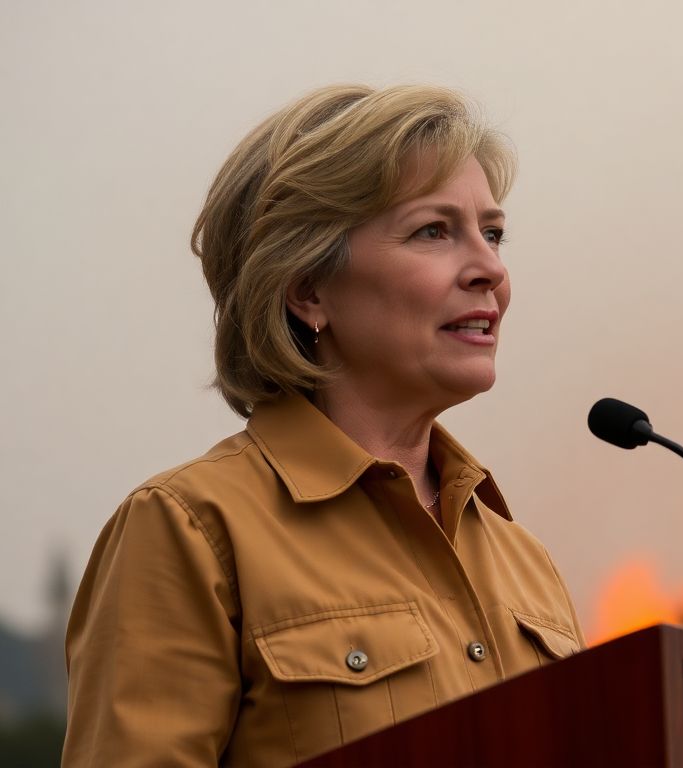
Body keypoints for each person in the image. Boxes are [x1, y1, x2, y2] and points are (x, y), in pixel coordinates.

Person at [63, 84, 585, 767]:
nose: (490, 268)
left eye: (492, 232)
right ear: (308, 288)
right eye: (435, 230)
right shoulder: (188, 528)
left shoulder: (527, 562)